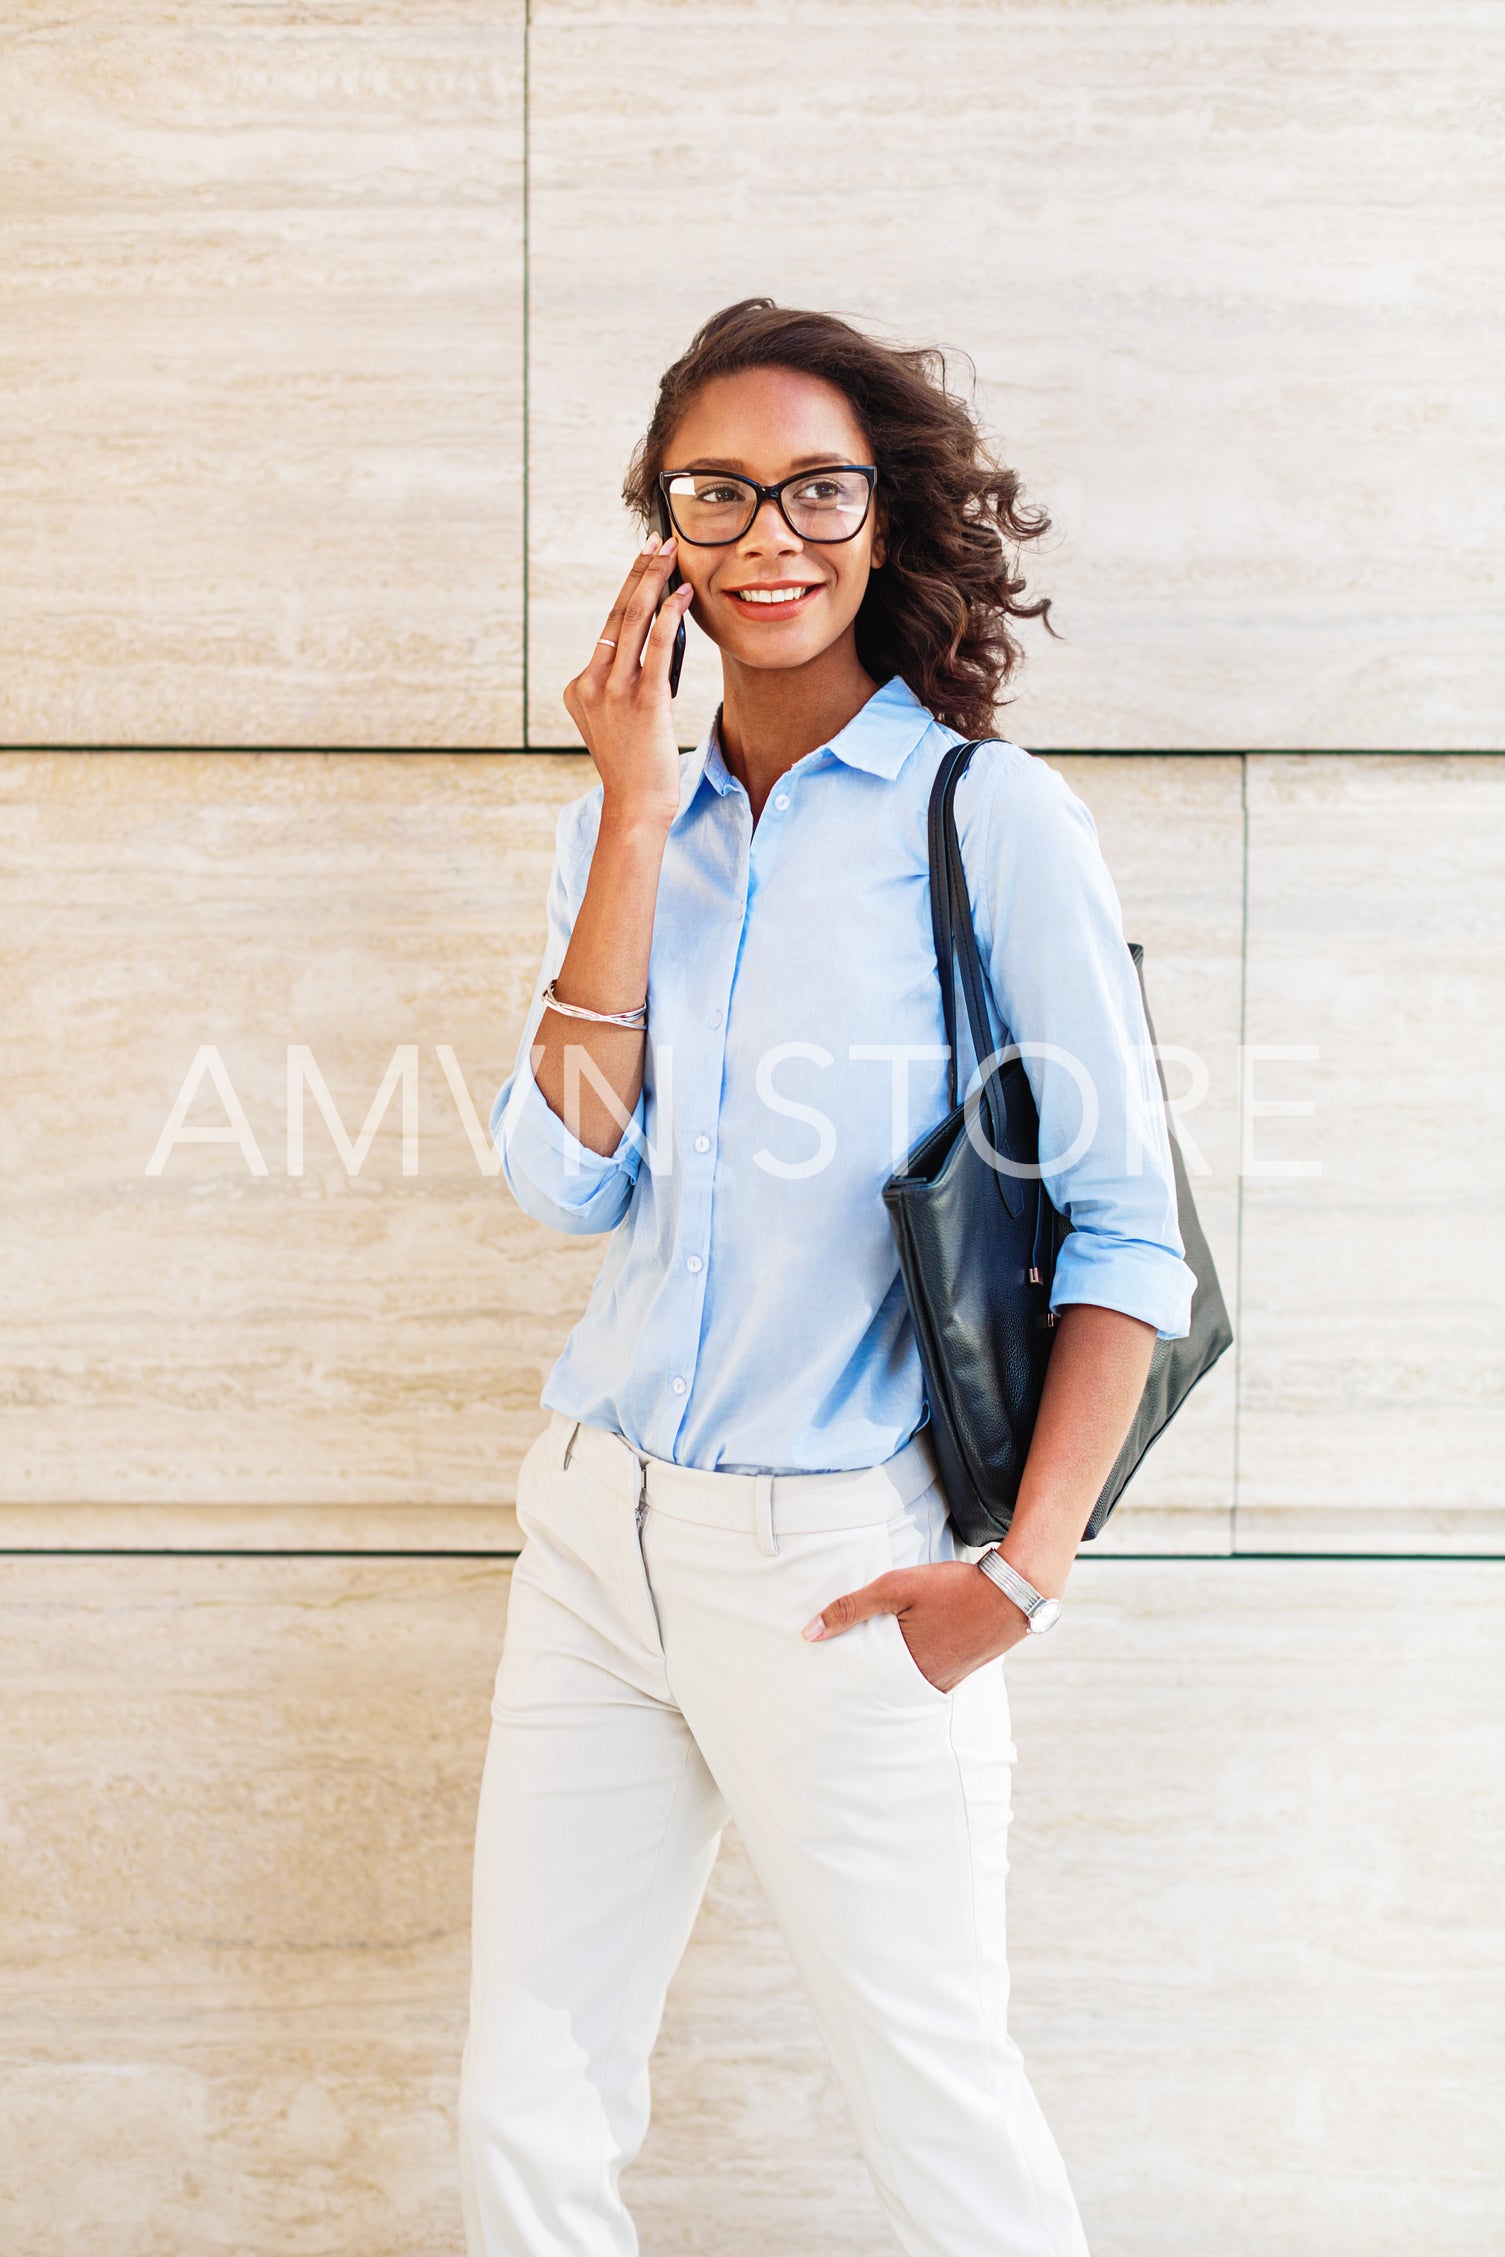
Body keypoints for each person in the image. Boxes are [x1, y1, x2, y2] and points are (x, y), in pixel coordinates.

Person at [458, 298, 1193, 2257]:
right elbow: (561, 1179)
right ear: (661, 529)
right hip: (596, 1541)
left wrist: (1017, 1579)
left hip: (843, 1565)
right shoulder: (628, 828)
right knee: (523, 2119)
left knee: (937, 2119)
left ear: (886, 519)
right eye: (720, 491)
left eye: (815, 488)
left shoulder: (991, 821)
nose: (767, 533)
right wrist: (629, 811)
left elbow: (1132, 1235)